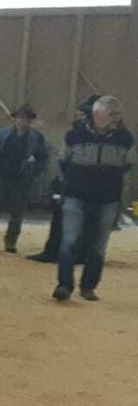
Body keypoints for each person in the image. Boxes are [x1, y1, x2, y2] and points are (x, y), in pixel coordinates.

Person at [53, 95, 136, 301]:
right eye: (112, 114)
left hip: (108, 198)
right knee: (69, 241)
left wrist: (121, 199)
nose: (116, 118)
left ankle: (88, 286)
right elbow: (63, 161)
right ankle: (64, 285)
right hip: (75, 195)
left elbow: (128, 168)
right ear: (98, 115)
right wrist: (71, 184)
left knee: (99, 245)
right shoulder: (74, 134)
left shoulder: (126, 138)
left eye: (117, 115)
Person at [29, 95, 99, 263]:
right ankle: (74, 253)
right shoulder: (90, 132)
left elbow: (64, 159)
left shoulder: (77, 132)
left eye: (82, 114)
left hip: (76, 182)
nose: (79, 116)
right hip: (86, 184)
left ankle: (55, 252)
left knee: (64, 218)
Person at [0, 104, 47, 253]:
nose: (22, 120)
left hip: (22, 178)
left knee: (17, 211)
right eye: (19, 117)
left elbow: (42, 157)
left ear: (30, 120)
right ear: (15, 119)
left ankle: (11, 241)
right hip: (2, 175)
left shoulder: (36, 137)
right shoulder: (2, 135)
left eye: (25, 118)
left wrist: (34, 172)